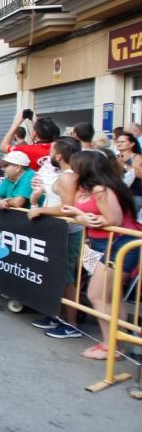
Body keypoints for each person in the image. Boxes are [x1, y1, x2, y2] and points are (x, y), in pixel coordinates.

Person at [61, 150, 142, 360]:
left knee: (98, 295)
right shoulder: (88, 188)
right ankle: (116, 345)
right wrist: (82, 218)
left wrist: (85, 220)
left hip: (118, 244)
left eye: (75, 165)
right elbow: (73, 211)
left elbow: (113, 220)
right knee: (110, 298)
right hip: (103, 244)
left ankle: (112, 347)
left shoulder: (101, 189)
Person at [28, 137, 84, 339]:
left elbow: (68, 209)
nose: (48, 156)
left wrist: (40, 209)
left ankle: (72, 323)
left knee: (67, 277)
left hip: (68, 232)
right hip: (57, 231)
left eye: (51, 152)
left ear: (59, 156)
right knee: (57, 276)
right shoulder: (63, 175)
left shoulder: (68, 177)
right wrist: (38, 193)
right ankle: (57, 316)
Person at [114, 132, 142, 210]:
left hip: (134, 195)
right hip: (118, 195)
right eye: (117, 142)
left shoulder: (137, 157)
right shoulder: (115, 157)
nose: (119, 144)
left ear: (132, 144)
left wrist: (123, 165)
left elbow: (140, 174)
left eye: (122, 142)